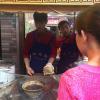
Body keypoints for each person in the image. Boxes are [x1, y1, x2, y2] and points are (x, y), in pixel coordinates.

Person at [58, 4, 100, 100]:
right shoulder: (61, 40)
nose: (64, 30)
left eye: (77, 33)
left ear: (84, 35)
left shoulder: (70, 79)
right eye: (61, 28)